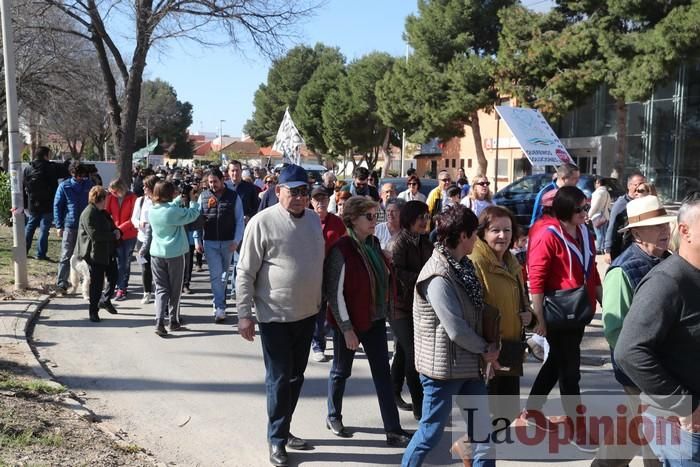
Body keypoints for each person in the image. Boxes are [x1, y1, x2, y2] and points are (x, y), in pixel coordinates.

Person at [236, 164, 325, 467]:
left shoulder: (314, 221)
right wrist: (244, 314)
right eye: (293, 192)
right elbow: (245, 272)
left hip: (307, 314)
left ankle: (284, 430)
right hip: (274, 316)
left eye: (304, 192)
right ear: (278, 192)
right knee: (279, 378)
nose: (300, 198)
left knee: (296, 377)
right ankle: (276, 440)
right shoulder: (262, 223)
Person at [402, 204, 498, 467]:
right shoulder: (438, 275)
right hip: (442, 371)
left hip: (467, 365)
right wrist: (485, 348)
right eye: (474, 234)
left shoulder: (463, 266)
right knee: (429, 435)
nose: (477, 239)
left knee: (482, 435)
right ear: (463, 236)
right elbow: (455, 328)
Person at [616, 191, 700, 467]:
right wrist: (684, 405)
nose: (662, 230)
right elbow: (629, 350)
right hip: (683, 427)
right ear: (685, 231)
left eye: (664, 224)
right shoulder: (666, 281)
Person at [323, 196, 411, 446]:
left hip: (375, 320)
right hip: (348, 322)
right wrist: (347, 329)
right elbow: (334, 293)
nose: (375, 221)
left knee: (382, 374)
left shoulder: (373, 244)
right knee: (341, 371)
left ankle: (393, 430)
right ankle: (333, 415)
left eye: (377, 216)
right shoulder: (341, 249)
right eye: (369, 217)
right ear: (353, 219)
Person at [591, 196, 673, 467]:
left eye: (664, 224)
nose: (664, 230)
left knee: (640, 429)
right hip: (640, 371)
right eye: (656, 226)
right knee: (654, 436)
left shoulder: (668, 261)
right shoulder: (622, 270)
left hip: (665, 369)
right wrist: (647, 357)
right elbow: (615, 331)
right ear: (637, 233)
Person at [524, 186, 602, 425]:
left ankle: (532, 410)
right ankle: (576, 423)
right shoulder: (548, 235)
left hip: (580, 310)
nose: (585, 212)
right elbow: (536, 279)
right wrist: (539, 318)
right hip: (558, 311)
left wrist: (604, 302)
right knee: (570, 369)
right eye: (580, 209)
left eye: (586, 207)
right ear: (566, 209)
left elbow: (593, 271)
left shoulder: (584, 233)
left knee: (556, 360)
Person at [469, 206, 532, 421]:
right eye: (495, 230)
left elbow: (522, 300)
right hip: (488, 349)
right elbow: (472, 309)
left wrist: (530, 316)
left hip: (511, 347)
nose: (502, 236)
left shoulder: (512, 261)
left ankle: (484, 450)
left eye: (507, 230)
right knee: (484, 416)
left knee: (505, 414)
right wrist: (484, 347)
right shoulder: (475, 262)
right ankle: (472, 450)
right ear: (483, 233)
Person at [390, 200, 433, 421]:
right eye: (421, 217)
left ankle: (393, 390)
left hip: (419, 303)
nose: (425, 221)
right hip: (399, 306)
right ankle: (419, 405)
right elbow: (397, 273)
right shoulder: (399, 242)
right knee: (412, 352)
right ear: (409, 219)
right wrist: (424, 279)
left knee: (403, 350)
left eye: (427, 217)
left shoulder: (426, 241)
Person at [148, 180, 202, 336]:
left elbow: (170, 208)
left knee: (161, 289)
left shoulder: (153, 210)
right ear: (169, 194)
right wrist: (193, 201)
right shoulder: (172, 212)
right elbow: (191, 215)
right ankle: (173, 320)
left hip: (157, 253)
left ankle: (158, 322)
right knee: (175, 290)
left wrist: (180, 198)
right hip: (175, 254)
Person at [194, 168, 244, 323]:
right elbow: (198, 220)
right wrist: (197, 240)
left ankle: (218, 301)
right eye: (210, 182)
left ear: (223, 180)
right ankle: (220, 307)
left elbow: (239, 221)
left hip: (228, 242)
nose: (213, 185)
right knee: (216, 275)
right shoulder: (203, 196)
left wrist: (236, 241)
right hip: (210, 242)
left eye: (215, 181)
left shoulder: (234, 197)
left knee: (224, 276)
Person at [309, 186, 346, 363]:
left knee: (334, 306)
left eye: (324, 199)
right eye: (317, 199)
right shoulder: (307, 220)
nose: (320, 203)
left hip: (333, 270)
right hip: (312, 271)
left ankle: (328, 337)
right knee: (318, 309)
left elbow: (346, 242)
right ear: (311, 202)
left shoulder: (336, 221)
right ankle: (318, 344)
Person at [76, 186, 120, 322]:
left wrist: (117, 231)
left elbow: (112, 226)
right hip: (94, 254)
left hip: (107, 251)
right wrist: (113, 235)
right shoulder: (88, 213)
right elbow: (94, 234)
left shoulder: (103, 212)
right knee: (96, 283)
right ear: (100, 199)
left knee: (114, 275)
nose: (107, 200)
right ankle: (93, 311)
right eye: (105, 198)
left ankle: (105, 300)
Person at [54, 161, 94, 294]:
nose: (79, 178)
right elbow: (58, 206)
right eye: (77, 175)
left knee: (87, 255)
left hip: (86, 226)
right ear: (71, 173)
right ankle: (62, 283)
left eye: (82, 175)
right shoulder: (64, 186)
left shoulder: (89, 185)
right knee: (66, 255)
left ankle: (87, 283)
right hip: (70, 225)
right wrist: (59, 225)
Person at [23, 146, 61, 260]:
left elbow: (24, 185)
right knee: (44, 229)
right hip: (48, 203)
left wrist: (25, 204)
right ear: (45, 155)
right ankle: (41, 254)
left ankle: (24, 251)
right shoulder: (50, 167)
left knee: (30, 226)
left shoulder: (28, 168)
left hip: (33, 203)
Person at [105, 179, 138, 301]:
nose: (112, 194)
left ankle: (122, 288)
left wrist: (119, 229)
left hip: (129, 234)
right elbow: (106, 213)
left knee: (125, 261)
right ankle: (118, 285)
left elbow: (133, 218)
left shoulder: (133, 198)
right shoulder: (111, 197)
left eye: (114, 191)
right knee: (118, 262)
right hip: (115, 234)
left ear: (121, 189)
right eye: (111, 192)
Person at [604, 171, 646, 262]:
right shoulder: (621, 204)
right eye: (637, 185)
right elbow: (612, 226)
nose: (640, 188)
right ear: (629, 186)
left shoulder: (646, 202)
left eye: (643, 184)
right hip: (623, 248)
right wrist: (608, 250)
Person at [131, 175, 157, 304]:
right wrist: (139, 223)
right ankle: (147, 292)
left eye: (146, 186)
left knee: (157, 267)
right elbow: (133, 218)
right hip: (141, 239)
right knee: (144, 267)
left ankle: (160, 293)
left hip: (156, 240)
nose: (143, 188)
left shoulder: (159, 201)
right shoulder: (140, 201)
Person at [588, 176, 612, 255]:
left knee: (599, 234)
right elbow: (609, 206)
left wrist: (588, 215)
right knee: (603, 233)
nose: (595, 184)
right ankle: (603, 248)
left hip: (597, 216)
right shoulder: (607, 193)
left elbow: (595, 206)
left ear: (598, 183)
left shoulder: (598, 193)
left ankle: (598, 249)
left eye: (595, 183)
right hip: (605, 216)